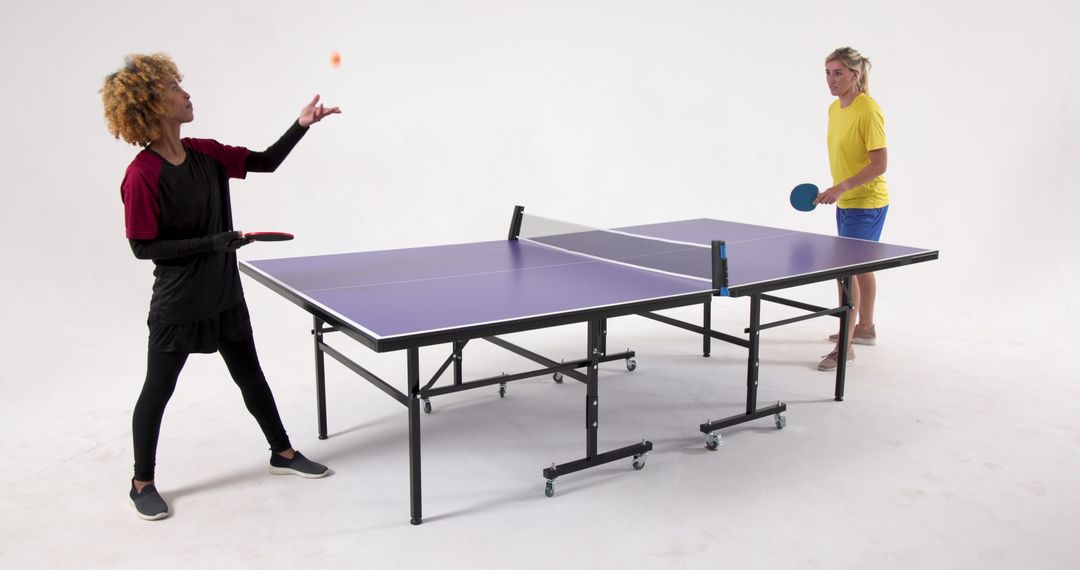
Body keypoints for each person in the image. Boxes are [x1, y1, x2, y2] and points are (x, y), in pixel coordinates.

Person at [100, 53, 341, 520]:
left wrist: (301, 124)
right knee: (157, 391)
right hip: (179, 304)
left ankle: (283, 454)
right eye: (175, 87)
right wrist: (215, 242)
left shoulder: (206, 152)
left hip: (224, 295)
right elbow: (143, 248)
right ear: (152, 102)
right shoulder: (142, 175)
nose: (186, 93)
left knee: (251, 375)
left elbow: (266, 162)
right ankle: (141, 481)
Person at [813, 47, 889, 371]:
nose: (831, 79)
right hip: (846, 201)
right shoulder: (835, 108)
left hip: (866, 204)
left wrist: (842, 186)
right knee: (859, 268)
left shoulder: (868, 110)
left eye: (838, 73)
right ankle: (866, 328)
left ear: (854, 75)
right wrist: (834, 190)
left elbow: (880, 164)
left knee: (844, 272)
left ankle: (846, 347)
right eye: (828, 72)